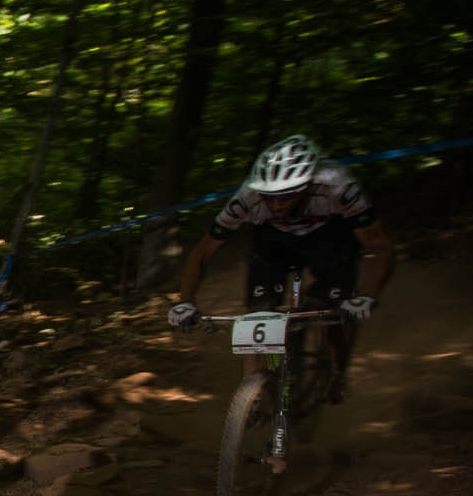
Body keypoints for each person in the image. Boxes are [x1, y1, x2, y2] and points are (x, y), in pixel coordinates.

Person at [168, 134, 398, 401]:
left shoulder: (338, 186)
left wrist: (367, 296)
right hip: (274, 240)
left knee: (336, 309)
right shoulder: (247, 198)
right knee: (258, 311)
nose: (276, 204)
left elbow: (380, 246)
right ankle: (252, 395)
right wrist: (185, 301)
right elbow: (203, 251)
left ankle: (339, 371)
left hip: (330, 236)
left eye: (286, 196)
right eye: (269, 197)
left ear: (308, 185)